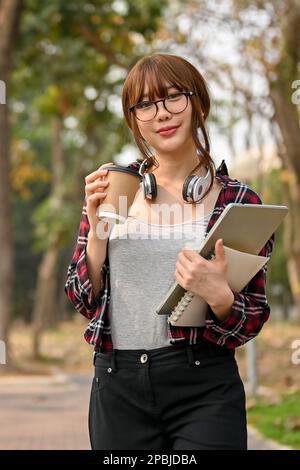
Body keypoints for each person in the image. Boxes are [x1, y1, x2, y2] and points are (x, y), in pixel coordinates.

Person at [64, 53, 275, 450]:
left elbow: (253, 318)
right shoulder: (115, 190)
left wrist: (220, 297)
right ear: (134, 119)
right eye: (144, 104)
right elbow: (81, 298)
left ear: (198, 103)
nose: (161, 113)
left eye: (174, 96)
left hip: (205, 387)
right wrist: (96, 234)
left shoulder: (239, 202)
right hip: (117, 387)